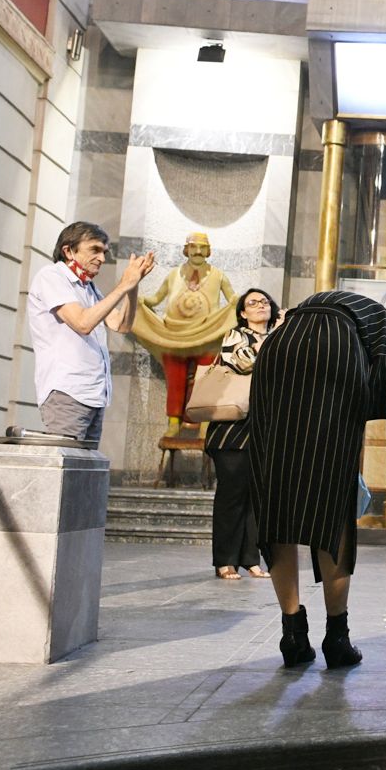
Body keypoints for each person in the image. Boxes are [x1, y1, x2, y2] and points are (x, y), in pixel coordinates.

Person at [249, 289, 386, 671]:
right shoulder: (378, 318)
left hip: (277, 350)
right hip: (339, 349)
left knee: (277, 500)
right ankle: (337, 638)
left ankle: (292, 635)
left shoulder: (299, 315)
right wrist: (369, 409)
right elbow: (383, 363)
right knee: (332, 499)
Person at [26, 222, 155, 444]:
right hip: (67, 392)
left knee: (85, 472)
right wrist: (123, 285)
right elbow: (83, 323)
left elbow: (121, 325)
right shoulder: (52, 276)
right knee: (68, 468)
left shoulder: (88, 287)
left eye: (104, 252)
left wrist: (133, 287)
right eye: (94, 250)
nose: (102, 259)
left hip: (94, 395)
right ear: (68, 251)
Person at [206, 288, 279, 581]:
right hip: (233, 428)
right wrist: (270, 339)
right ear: (243, 313)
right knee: (231, 495)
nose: (261, 305)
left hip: (264, 427)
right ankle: (225, 560)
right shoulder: (237, 336)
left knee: (256, 497)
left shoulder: (279, 337)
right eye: (254, 303)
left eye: (265, 301)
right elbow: (243, 361)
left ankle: (251, 559)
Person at [136, 231, 237, 433]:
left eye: (202, 247)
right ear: (186, 249)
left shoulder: (218, 275)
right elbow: (156, 299)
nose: (197, 251)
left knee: (205, 381)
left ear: (208, 251)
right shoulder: (174, 275)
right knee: (175, 379)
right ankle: (173, 423)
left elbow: (232, 297)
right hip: (174, 337)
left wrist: (239, 301)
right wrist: (141, 300)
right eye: (193, 247)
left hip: (208, 336)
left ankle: (204, 425)